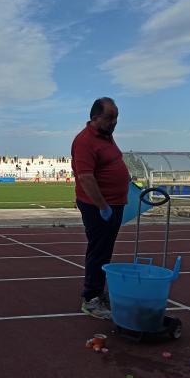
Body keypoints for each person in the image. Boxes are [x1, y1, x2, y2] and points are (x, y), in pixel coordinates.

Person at [71, 97, 129, 319]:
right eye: (109, 118)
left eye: (116, 117)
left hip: (113, 204)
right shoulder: (85, 141)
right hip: (99, 207)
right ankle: (91, 298)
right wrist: (103, 207)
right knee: (99, 251)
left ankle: (97, 292)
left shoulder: (106, 136)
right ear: (95, 118)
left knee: (105, 251)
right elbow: (85, 177)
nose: (114, 122)